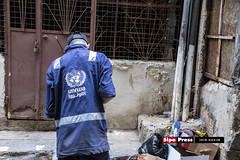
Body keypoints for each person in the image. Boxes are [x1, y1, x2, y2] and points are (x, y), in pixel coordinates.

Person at [44, 31, 116, 160]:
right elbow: (107, 94)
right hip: (94, 140)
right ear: (87, 45)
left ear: (68, 46)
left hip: (67, 144)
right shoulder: (98, 59)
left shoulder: (55, 66)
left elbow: (50, 110)